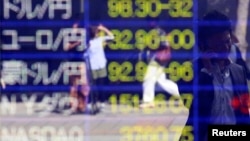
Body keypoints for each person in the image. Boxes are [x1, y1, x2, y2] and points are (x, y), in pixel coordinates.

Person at [178, 10, 250, 141]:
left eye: (227, 41)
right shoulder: (190, 72)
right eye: (218, 44)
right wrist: (207, 71)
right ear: (203, 45)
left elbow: (244, 115)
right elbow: (195, 106)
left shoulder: (238, 71)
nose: (225, 48)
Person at [139, 24, 181, 108]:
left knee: (148, 78)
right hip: (157, 59)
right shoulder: (154, 31)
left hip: (157, 59)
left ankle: (148, 101)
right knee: (161, 81)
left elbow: (164, 44)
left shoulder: (158, 31)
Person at [86, 24, 114, 110]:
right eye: (96, 32)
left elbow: (112, 37)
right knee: (92, 85)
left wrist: (104, 29)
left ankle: (102, 101)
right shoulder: (88, 42)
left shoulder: (100, 40)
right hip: (92, 66)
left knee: (101, 84)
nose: (97, 33)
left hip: (101, 64)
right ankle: (91, 102)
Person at [65, 19, 90, 114]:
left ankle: (82, 105)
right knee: (73, 85)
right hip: (72, 62)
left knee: (83, 83)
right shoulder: (69, 35)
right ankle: (73, 106)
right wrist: (76, 43)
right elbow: (66, 47)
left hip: (81, 61)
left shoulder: (83, 34)